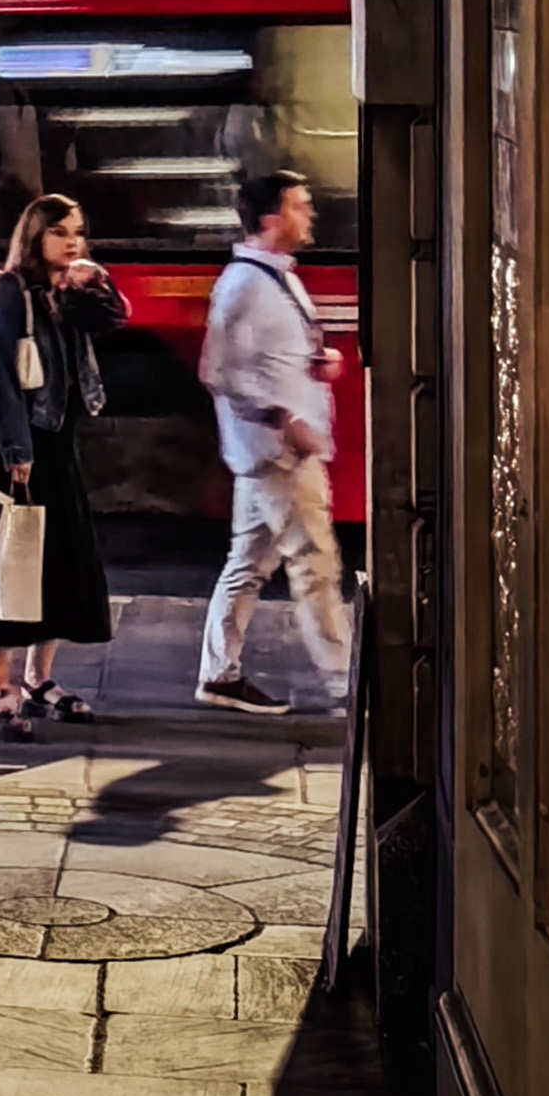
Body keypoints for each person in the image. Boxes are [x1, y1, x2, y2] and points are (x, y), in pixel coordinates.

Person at [195, 164, 354, 714]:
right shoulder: (243, 285)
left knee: (248, 564)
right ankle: (346, 683)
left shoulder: (274, 276)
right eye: (299, 205)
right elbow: (217, 371)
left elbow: (263, 360)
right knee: (315, 565)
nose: (310, 214)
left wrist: (316, 363)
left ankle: (219, 674)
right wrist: (282, 418)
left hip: (273, 453)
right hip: (278, 456)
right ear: (270, 219)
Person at [0, 193, 130, 740]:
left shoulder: (67, 291)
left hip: (58, 437)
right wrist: (17, 453)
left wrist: (94, 278)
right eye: (60, 232)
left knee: (61, 558)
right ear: (35, 236)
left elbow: (117, 317)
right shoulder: (8, 291)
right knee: (18, 559)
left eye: (78, 232)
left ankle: (39, 678)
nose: (72, 242)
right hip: (22, 441)